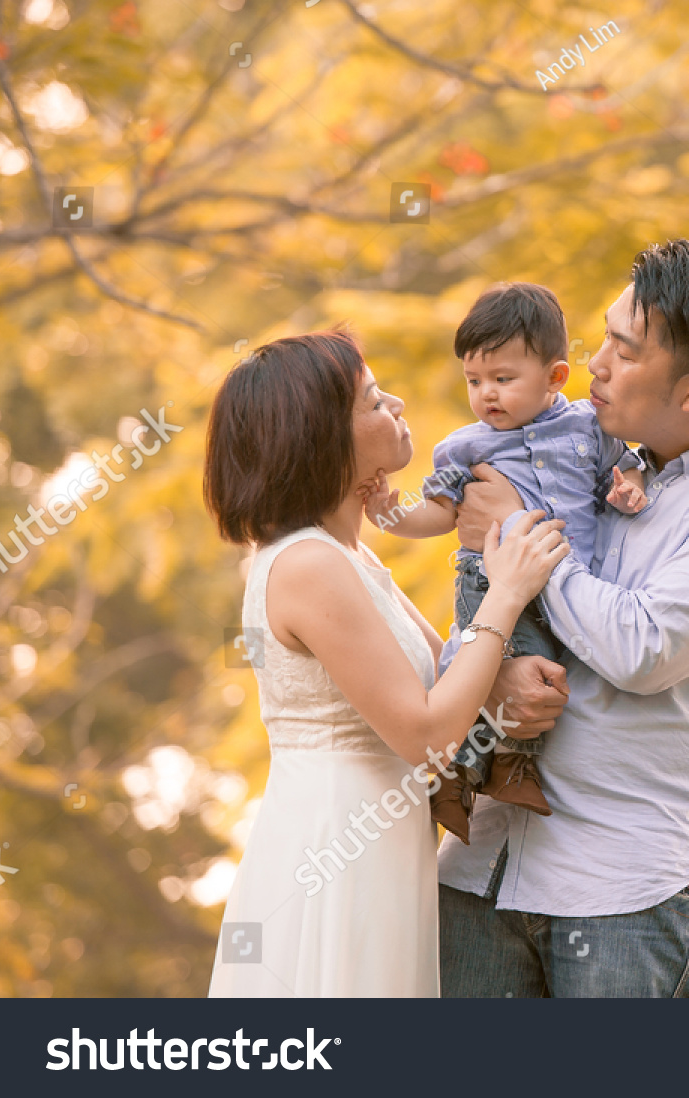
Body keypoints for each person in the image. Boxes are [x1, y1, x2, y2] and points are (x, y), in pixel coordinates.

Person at [438, 240, 689, 997]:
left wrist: (518, 535)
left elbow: (642, 648)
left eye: (626, 350)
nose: (595, 364)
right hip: (481, 872)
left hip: (626, 895)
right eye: (604, 337)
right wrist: (489, 676)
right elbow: (485, 604)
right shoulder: (589, 462)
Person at [202, 329, 568, 997]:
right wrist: (508, 590)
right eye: (373, 401)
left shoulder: (348, 555)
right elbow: (426, 734)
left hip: (380, 840)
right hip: (338, 848)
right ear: (321, 437)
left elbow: (449, 674)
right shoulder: (307, 564)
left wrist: (507, 678)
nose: (396, 404)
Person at [362, 283, 647, 831]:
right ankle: (470, 772)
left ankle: (490, 768)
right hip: (488, 578)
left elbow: (627, 463)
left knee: (542, 675)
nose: (486, 394)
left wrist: (629, 486)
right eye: (474, 381)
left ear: (555, 376)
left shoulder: (588, 428)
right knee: (494, 663)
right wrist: (391, 516)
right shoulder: (466, 447)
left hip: (566, 585)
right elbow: (441, 514)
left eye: (503, 379)